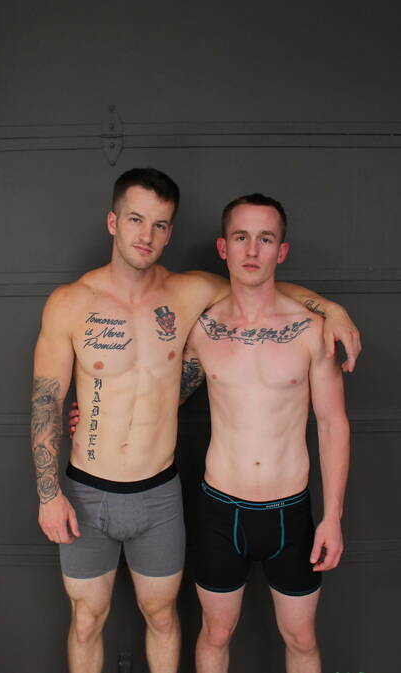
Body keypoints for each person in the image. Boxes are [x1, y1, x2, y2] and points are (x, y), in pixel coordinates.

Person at [31, 168, 359, 673]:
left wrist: (330, 308)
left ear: (170, 232)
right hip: (99, 489)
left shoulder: (190, 294)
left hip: (173, 493)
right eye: (136, 220)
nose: (147, 235)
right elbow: (46, 401)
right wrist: (48, 493)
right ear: (113, 222)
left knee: (170, 619)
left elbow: (257, 282)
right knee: (88, 621)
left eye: (160, 224)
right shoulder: (75, 303)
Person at [179, 193, 350, 673]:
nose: (252, 250)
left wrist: (333, 517)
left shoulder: (312, 330)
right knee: (215, 633)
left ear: (282, 251)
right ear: (223, 247)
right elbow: (162, 396)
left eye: (266, 239)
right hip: (220, 509)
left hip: (289, 512)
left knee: (301, 638)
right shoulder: (202, 329)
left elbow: (333, 424)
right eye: (241, 237)